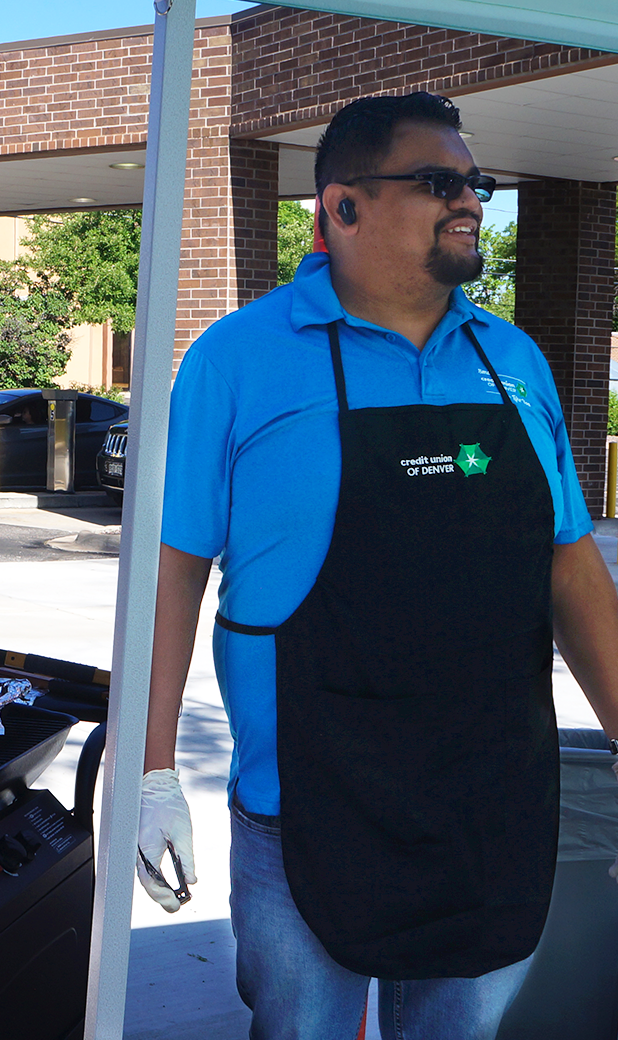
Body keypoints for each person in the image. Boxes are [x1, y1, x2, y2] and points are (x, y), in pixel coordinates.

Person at [137, 91, 618, 1040]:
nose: (470, 201)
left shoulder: (511, 360)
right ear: (341, 207)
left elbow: (569, 565)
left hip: (487, 801)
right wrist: (151, 775)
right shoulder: (237, 361)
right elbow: (172, 574)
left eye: (474, 183)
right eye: (438, 181)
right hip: (305, 807)